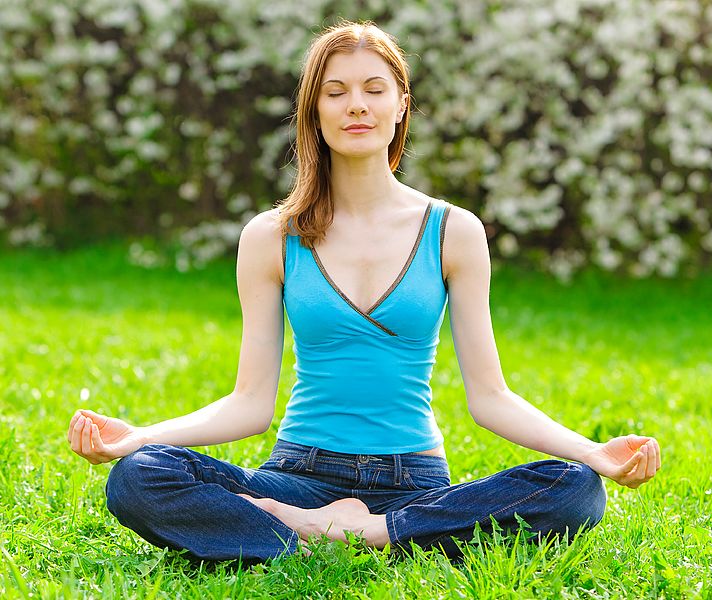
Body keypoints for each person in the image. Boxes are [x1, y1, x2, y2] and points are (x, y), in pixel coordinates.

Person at [67, 20, 660, 564]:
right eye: (336, 92)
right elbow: (249, 406)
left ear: (401, 104)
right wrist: (137, 437)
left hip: (415, 481)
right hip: (299, 476)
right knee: (140, 477)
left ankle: (350, 532)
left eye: (374, 89)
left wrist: (595, 453)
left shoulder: (454, 232)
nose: (357, 105)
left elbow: (491, 399)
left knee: (575, 490)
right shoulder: (271, 237)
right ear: (314, 110)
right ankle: (334, 526)